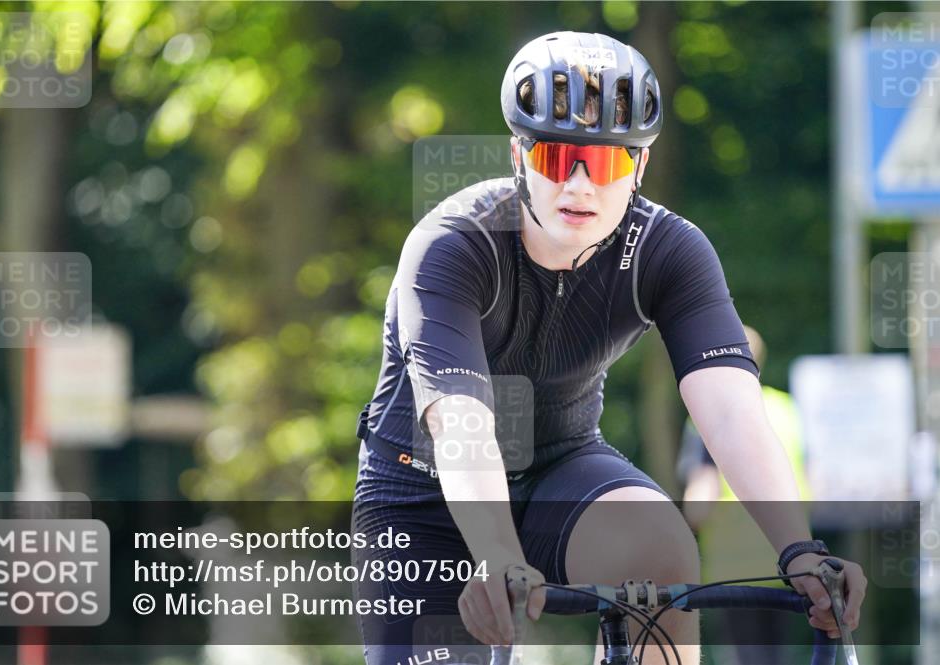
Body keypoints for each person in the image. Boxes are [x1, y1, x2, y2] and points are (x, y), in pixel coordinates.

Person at [353, 31, 865, 665]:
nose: (578, 187)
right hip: (425, 489)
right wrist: (498, 557)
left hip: (560, 468)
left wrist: (799, 550)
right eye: (556, 158)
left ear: (640, 168)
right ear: (519, 155)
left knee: (656, 543)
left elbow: (731, 408)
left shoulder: (668, 250)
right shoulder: (454, 243)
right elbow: (460, 421)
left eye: (604, 163)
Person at [679, 325, 811, 664]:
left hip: (735, 569)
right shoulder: (786, 409)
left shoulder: (712, 415)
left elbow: (700, 500)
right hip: (788, 563)